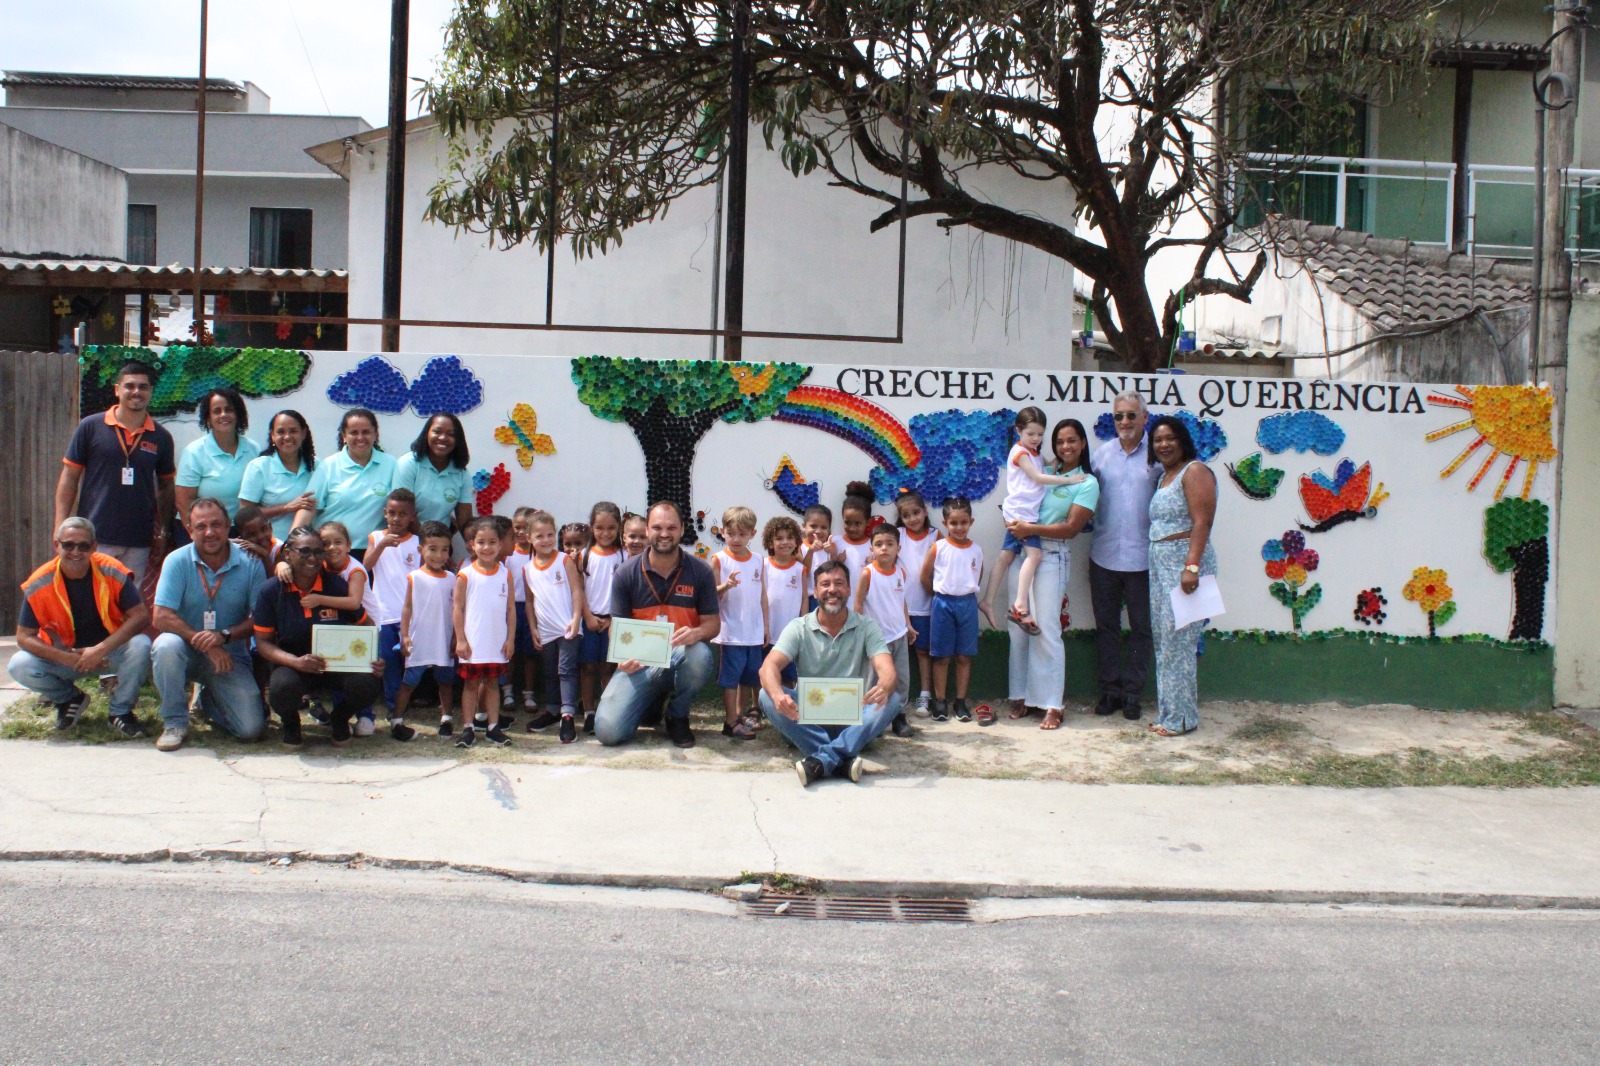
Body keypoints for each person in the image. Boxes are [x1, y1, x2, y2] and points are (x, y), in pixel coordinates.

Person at [758, 559, 902, 787]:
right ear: (815, 591)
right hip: (807, 718)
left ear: (849, 589)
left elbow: (887, 670)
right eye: (825, 584)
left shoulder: (867, 626)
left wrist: (884, 685)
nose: (832, 589)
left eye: (839, 583)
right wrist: (778, 695)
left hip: (853, 719)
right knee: (766, 695)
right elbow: (768, 667)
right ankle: (842, 757)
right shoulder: (798, 627)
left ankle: (822, 759)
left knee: (892, 699)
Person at [592, 501, 719, 749]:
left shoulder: (700, 571)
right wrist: (621, 657)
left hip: (679, 655)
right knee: (607, 732)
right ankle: (651, 702)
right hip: (639, 663)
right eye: (657, 527)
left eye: (671, 527)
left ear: (682, 530)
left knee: (700, 655)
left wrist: (696, 633)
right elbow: (617, 626)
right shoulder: (626, 573)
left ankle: (677, 715)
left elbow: (713, 625)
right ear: (647, 530)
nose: (664, 534)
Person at [9, 517, 152, 737]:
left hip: (108, 654)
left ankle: (120, 712)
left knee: (141, 645)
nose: (76, 552)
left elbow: (141, 616)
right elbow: (23, 636)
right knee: (19, 665)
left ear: (94, 547)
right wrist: (65, 658)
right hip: (66, 657)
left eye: (83, 546)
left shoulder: (112, 570)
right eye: (68, 545)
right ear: (56, 545)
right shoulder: (39, 582)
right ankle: (70, 699)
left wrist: (100, 650)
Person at [150, 498, 267, 750]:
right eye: (201, 526)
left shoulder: (251, 562)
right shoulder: (176, 560)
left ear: (228, 526)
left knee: (250, 729)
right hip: (184, 651)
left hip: (229, 656)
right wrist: (206, 644)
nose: (210, 532)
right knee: (165, 645)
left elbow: (260, 619)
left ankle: (207, 699)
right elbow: (160, 616)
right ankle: (175, 722)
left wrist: (223, 636)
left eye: (216, 525)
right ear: (189, 530)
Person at [253, 526, 387, 747]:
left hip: (336, 665)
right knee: (281, 687)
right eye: (305, 551)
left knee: (368, 681)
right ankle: (291, 723)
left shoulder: (336, 586)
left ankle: (339, 718)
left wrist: (371, 656)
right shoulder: (271, 591)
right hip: (294, 665)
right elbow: (263, 643)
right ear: (288, 553)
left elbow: (367, 625)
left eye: (318, 552)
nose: (313, 558)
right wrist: (295, 662)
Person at [1004, 419, 1100, 730]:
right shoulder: (1042, 468)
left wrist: (1030, 528)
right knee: (1019, 627)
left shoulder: (1086, 482)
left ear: (1082, 443)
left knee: (1046, 628)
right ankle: (1020, 695)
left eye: (1072, 441)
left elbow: (1071, 528)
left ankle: (1052, 703)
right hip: (1022, 551)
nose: (1065, 447)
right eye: (1060, 441)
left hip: (1051, 554)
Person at [55, 360, 175, 584]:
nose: (136, 391)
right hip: (94, 536)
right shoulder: (91, 427)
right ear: (117, 390)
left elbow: (167, 486)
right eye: (130, 386)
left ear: (150, 392)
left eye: (143, 386)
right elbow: (69, 477)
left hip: (138, 539)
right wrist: (60, 525)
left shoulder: (161, 437)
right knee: (92, 596)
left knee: (129, 599)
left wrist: (164, 532)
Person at [1089, 390, 1160, 720]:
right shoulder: (1101, 456)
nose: (1125, 422)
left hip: (1144, 559)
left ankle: (1132, 693)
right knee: (1106, 627)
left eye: (1132, 415)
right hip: (1103, 556)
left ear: (1144, 417)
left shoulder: (1158, 456)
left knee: (1141, 629)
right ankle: (1109, 691)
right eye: (1119, 416)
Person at [1147, 415, 1219, 738]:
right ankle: (1170, 713)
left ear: (1183, 441)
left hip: (1185, 568)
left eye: (1170, 438)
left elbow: (1202, 522)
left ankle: (1181, 719)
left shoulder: (1195, 471)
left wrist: (1191, 567)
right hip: (1161, 567)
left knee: (1179, 644)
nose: (1163, 444)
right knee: (1165, 643)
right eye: (1157, 440)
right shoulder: (1165, 477)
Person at [984, 406, 1084, 633]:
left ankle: (988, 600)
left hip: (1018, 512)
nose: (1036, 439)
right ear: (1019, 430)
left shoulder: (1033, 453)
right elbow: (1038, 477)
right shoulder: (1020, 453)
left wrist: (1060, 460)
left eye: (1040, 434)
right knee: (1035, 555)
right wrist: (1070, 480)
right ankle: (1020, 606)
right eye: (1031, 434)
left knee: (1005, 556)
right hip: (1022, 516)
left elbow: (1046, 467)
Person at [294, 408, 396, 555]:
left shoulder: (391, 465)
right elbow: (308, 508)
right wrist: (291, 545)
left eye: (366, 432)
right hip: (333, 552)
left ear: (375, 434)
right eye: (354, 432)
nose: (360, 437)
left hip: (375, 552)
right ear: (344, 436)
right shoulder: (328, 466)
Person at [453, 517, 516, 747]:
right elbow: (457, 608)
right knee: (471, 685)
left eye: (492, 542)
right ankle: (468, 727)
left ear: (500, 545)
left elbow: (510, 609)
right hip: (473, 642)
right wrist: (461, 639)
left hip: (496, 642)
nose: (486, 547)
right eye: (481, 542)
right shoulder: (465, 574)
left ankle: (493, 727)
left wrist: (510, 639)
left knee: (492, 683)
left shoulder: (505, 574)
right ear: (472, 545)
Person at [522, 510, 584, 743]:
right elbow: (530, 601)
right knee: (549, 671)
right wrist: (533, 628)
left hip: (567, 627)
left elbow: (577, 590)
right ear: (529, 538)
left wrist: (576, 618)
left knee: (565, 670)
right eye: (539, 536)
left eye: (550, 534)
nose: (546, 540)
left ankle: (567, 714)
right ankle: (552, 709)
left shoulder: (564, 560)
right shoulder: (527, 569)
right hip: (545, 630)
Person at [919, 497, 982, 723]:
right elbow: (925, 577)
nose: (959, 527)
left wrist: (964, 594)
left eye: (963, 522)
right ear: (945, 523)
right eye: (954, 523)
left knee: (964, 655)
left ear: (971, 521)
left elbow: (977, 576)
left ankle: (960, 701)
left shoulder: (976, 550)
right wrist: (938, 596)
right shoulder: (938, 548)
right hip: (943, 604)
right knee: (942, 655)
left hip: (967, 604)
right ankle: (940, 701)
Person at [364, 488, 421, 734]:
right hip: (384, 614)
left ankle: (403, 704)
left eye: (403, 514)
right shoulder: (376, 537)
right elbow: (365, 566)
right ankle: (391, 707)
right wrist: (382, 546)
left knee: (411, 662)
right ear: (385, 513)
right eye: (392, 513)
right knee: (387, 663)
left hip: (410, 615)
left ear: (412, 516)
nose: (397, 518)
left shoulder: (417, 542)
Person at [398, 521, 459, 738]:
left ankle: (446, 718)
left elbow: (456, 609)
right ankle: (397, 719)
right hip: (420, 639)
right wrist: (405, 635)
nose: (438, 555)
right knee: (409, 681)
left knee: (445, 682)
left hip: (443, 639)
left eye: (444, 550)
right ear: (420, 549)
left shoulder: (452, 578)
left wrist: (456, 637)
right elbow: (407, 607)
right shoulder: (415, 577)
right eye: (432, 549)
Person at [853, 523, 915, 736]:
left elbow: (901, 600)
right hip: (877, 640)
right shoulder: (867, 574)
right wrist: (862, 633)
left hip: (899, 636)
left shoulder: (901, 573)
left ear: (898, 548)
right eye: (879, 544)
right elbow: (858, 604)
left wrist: (907, 625)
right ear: (871, 549)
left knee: (901, 679)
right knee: (874, 681)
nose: (884, 548)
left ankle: (898, 716)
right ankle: (872, 719)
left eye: (890, 544)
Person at [712, 505, 765, 741]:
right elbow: (711, 595)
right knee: (731, 679)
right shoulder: (719, 560)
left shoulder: (758, 560)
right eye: (731, 533)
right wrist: (726, 586)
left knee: (749, 675)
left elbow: (763, 594)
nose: (736, 539)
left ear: (752, 534)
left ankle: (740, 714)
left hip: (753, 632)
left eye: (742, 534)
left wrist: (765, 626)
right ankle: (730, 721)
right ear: (723, 532)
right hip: (731, 632)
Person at [174, 387, 260, 524]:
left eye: (229, 410)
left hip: (242, 529)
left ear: (238, 414)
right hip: (203, 530)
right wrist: (196, 532)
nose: (223, 415)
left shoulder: (254, 449)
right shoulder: (194, 452)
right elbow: (183, 502)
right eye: (216, 411)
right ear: (208, 418)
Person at [577, 501, 625, 735]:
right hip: (589, 620)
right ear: (591, 527)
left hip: (613, 622)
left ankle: (606, 712)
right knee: (587, 667)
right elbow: (578, 590)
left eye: (611, 528)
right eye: (599, 528)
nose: (605, 533)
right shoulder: (583, 556)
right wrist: (587, 615)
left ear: (619, 528)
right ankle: (588, 712)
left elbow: (626, 592)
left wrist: (614, 620)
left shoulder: (624, 556)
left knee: (608, 668)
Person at [892, 490, 938, 717]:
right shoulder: (898, 535)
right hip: (898, 605)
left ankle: (925, 695)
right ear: (901, 518)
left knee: (922, 652)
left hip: (925, 604)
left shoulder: (935, 536)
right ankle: (892, 698)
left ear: (925, 511)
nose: (912, 519)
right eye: (906, 515)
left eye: (916, 512)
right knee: (894, 652)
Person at [238, 409, 316, 542]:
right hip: (270, 546)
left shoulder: (316, 466)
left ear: (303, 434)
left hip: (307, 547)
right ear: (272, 436)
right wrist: (287, 507)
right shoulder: (259, 467)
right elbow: (244, 513)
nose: (287, 437)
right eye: (281, 432)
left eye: (293, 431)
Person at [392, 413, 473, 536]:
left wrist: (474, 542)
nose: (443, 437)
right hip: (408, 539)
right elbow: (402, 512)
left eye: (451, 434)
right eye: (437, 431)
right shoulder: (409, 464)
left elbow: (465, 521)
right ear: (426, 434)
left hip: (440, 542)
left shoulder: (461, 473)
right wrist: (429, 542)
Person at [760, 514, 807, 688]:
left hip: (789, 633)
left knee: (788, 675)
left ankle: (788, 700)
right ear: (770, 543)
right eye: (779, 538)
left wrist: (803, 625)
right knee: (763, 672)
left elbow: (804, 599)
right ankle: (758, 702)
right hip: (767, 631)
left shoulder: (800, 569)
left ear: (797, 542)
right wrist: (763, 625)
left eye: (789, 538)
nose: (785, 542)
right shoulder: (763, 565)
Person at [836, 485, 875, 577]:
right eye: (847, 522)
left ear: (868, 522)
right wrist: (836, 561)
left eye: (857, 523)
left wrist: (874, 565)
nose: (852, 528)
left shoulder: (873, 546)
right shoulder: (834, 543)